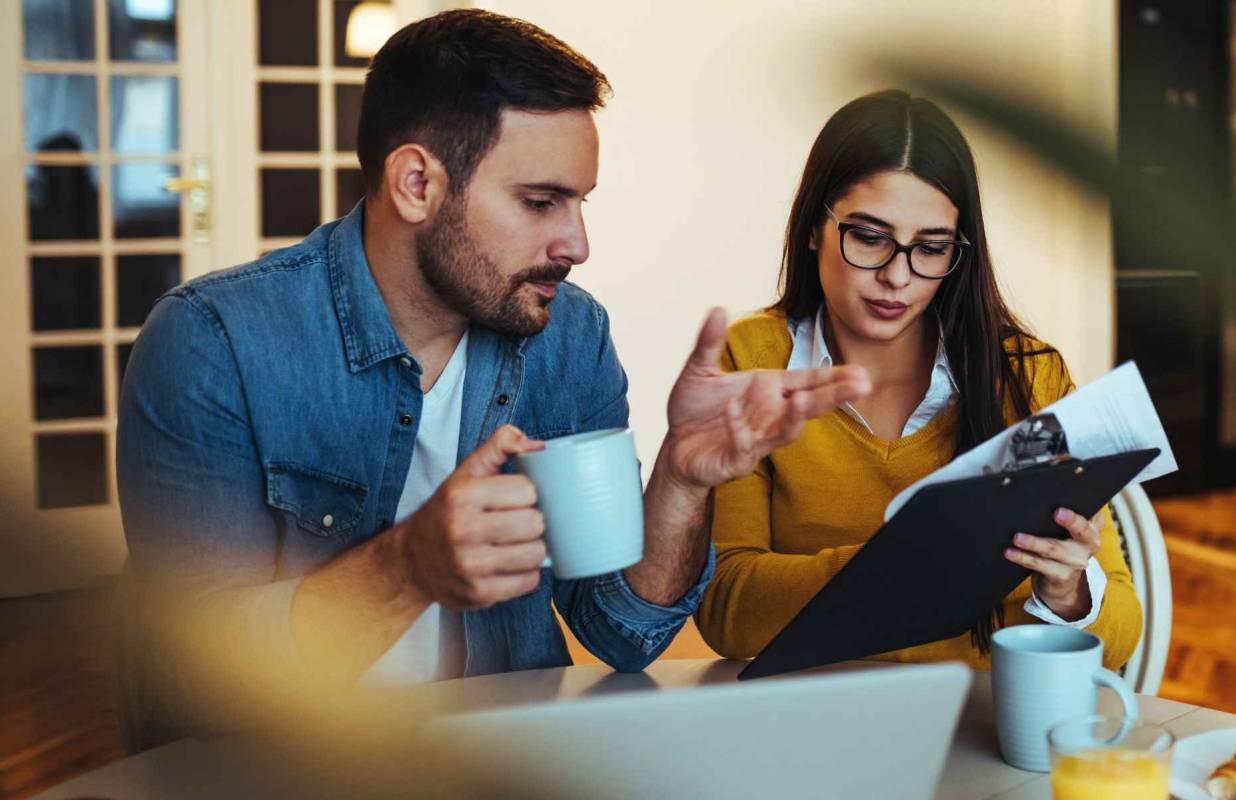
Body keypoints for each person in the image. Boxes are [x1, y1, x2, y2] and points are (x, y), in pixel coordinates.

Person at [114, 9, 868, 750]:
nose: (577, 243)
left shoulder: (570, 336)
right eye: (541, 202)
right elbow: (197, 683)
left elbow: (624, 630)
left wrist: (681, 477)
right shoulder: (215, 342)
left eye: (579, 202)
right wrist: (408, 569)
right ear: (416, 183)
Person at [694, 91, 1142, 669]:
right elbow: (727, 611)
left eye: (931, 248)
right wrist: (897, 568)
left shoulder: (1029, 375)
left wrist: (1068, 593)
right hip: (815, 718)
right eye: (869, 237)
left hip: (983, 721)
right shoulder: (750, 357)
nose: (897, 276)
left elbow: (1122, 637)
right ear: (813, 228)